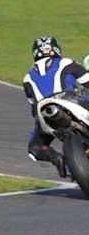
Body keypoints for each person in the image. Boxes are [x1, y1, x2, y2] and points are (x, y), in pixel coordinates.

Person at [22, 36, 89, 177]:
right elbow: (87, 81)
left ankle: (58, 160)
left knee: (34, 148)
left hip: (44, 114)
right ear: (56, 49)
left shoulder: (27, 78)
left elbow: (33, 109)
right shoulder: (66, 62)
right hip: (69, 100)